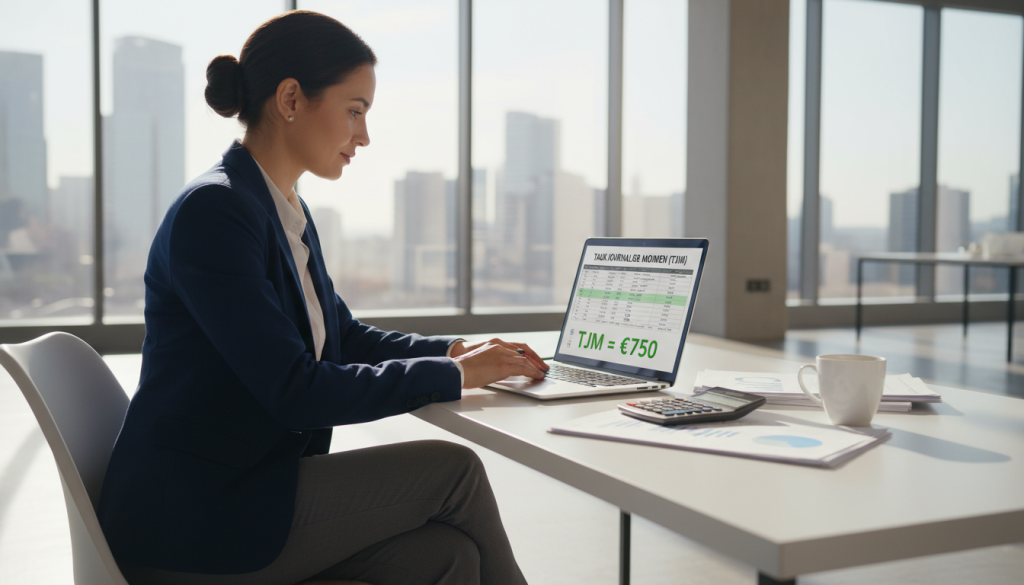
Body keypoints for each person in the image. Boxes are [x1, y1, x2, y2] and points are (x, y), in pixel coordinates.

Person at [97, 10, 547, 585]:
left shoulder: (280, 207)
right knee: (453, 470)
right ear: (290, 99)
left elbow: (344, 337)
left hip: (244, 490)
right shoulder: (215, 212)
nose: (363, 135)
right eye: (355, 111)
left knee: (446, 557)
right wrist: (454, 375)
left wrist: (460, 349)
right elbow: (295, 390)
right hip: (191, 525)